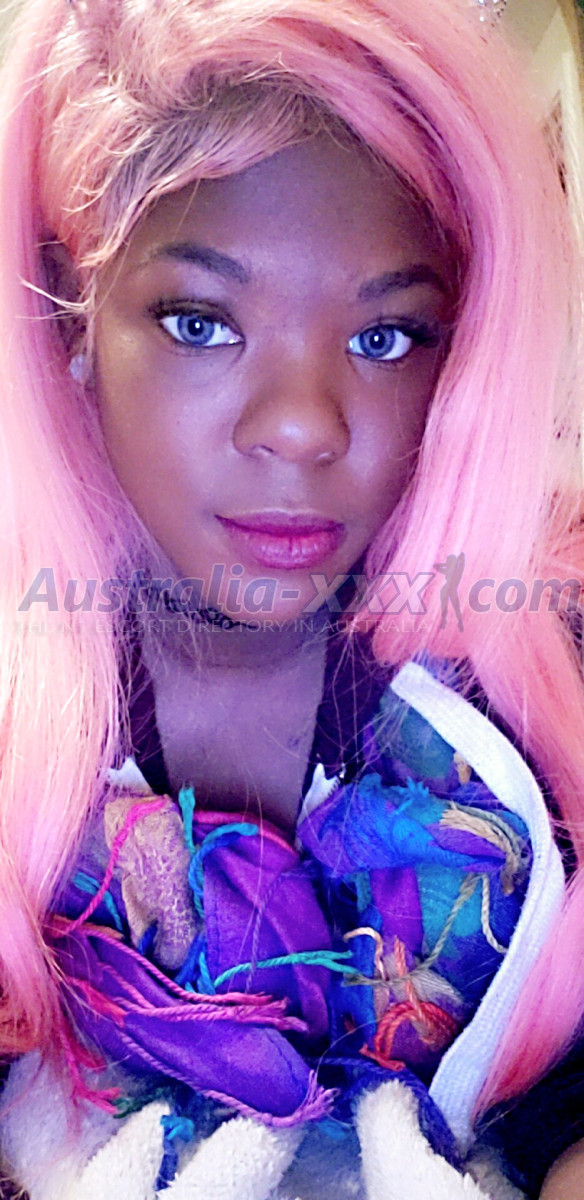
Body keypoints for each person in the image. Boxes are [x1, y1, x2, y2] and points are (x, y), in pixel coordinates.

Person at [0, 0, 584, 1195]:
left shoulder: (549, 675)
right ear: (70, 315)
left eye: (386, 337)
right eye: (201, 322)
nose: (303, 426)